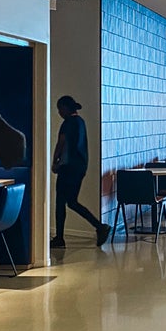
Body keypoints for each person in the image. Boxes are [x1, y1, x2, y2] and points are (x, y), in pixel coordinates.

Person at [51, 95, 111, 249]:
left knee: (61, 203)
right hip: (79, 167)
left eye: (59, 109)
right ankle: (99, 226)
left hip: (67, 167)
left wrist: (55, 162)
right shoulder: (80, 122)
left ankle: (60, 237)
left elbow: (61, 143)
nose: (59, 112)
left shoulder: (68, 123)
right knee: (71, 202)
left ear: (65, 108)